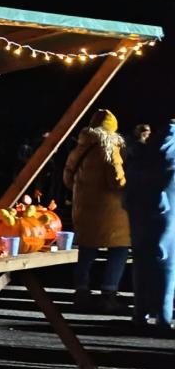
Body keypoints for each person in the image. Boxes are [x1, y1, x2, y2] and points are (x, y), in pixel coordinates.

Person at [64, 108, 130, 313]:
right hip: (112, 213)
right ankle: (109, 294)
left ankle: (81, 293)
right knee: (119, 251)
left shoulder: (80, 148)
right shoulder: (110, 147)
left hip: (84, 209)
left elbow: (67, 178)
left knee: (86, 252)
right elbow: (116, 180)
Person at [125, 119, 175, 332]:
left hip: (139, 215)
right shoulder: (171, 154)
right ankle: (163, 317)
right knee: (166, 266)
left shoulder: (142, 153)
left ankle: (140, 313)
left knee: (141, 263)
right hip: (167, 214)